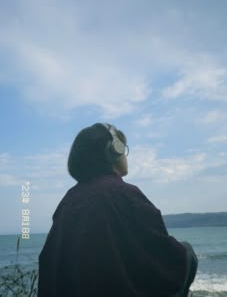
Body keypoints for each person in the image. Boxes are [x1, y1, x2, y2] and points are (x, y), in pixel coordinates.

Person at [38, 123, 198, 297]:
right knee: (187, 252)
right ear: (114, 150)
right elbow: (161, 253)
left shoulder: (68, 201)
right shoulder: (122, 193)